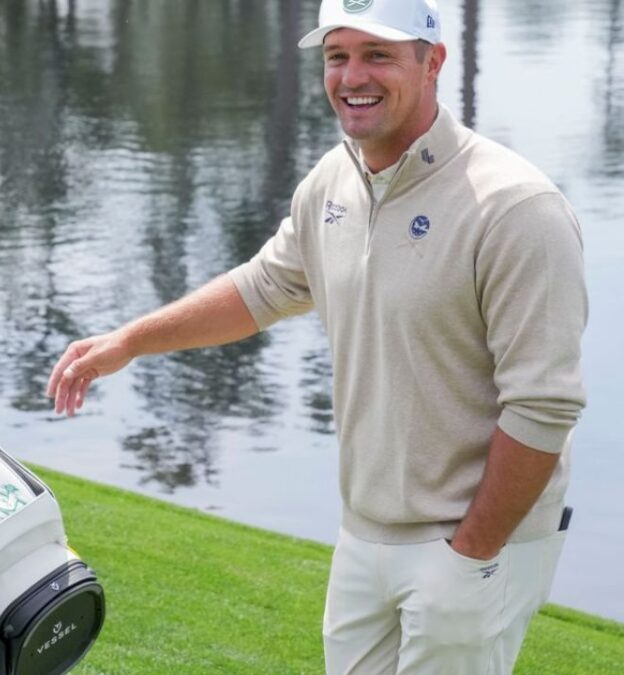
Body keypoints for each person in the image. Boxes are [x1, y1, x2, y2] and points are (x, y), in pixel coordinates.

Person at [48, 1, 586, 673]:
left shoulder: (517, 208)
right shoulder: (333, 180)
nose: (352, 76)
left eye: (378, 54)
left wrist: (473, 551)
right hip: (365, 534)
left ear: (433, 62)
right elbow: (261, 288)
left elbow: (543, 405)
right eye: (337, 56)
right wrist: (130, 341)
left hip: (476, 542)